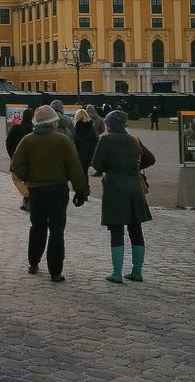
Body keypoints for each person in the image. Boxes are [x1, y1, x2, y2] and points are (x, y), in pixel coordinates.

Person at [11, 105, 89, 283]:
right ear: (53, 122)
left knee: (37, 227)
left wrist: (28, 177)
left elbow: (17, 165)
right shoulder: (63, 140)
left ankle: (33, 263)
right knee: (56, 231)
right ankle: (55, 271)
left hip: (37, 190)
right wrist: (81, 190)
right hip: (58, 190)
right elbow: (75, 167)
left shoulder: (27, 140)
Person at [91, 110, 154, 284]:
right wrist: (135, 167)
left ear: (109, 125)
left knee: (116, 230)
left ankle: (117, 272)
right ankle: (137, 271)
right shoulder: (134, 140)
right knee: (136, 229)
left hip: (115, 188)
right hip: (134, 188)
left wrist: (109, 167)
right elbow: (150, 159)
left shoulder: (106, 140)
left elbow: (96, 163)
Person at [5, 107, 34, 211]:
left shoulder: (16, 128)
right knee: (27, 180)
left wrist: (11, 154)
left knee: (16, 179)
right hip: (31, 159)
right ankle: (26, 202)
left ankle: (27, 196)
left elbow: (8, 142)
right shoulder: (34, 129)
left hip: (16, 158)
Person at [73, 109, 100, 178]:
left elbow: (74, 142)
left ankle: (83, 187)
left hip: (79, 154)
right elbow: (95, 141)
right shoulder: (91, 127)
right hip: (89, 154)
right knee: (85, 171)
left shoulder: (76, 129)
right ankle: (86, 187)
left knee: (79, 173)